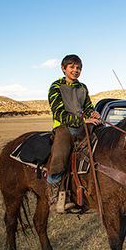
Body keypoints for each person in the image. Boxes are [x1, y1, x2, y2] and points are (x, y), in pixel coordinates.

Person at [47, 54, 100, 211]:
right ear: (63, 69)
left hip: (82, 126)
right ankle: (54, 196)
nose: (75, 70)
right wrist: (83, 121)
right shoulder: (56, 87)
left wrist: (93, 113)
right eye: (72, 67)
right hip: (64, 127)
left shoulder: (82, 87)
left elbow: (88, 106)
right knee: (60, 156)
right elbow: (59, 114)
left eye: (78, 68)